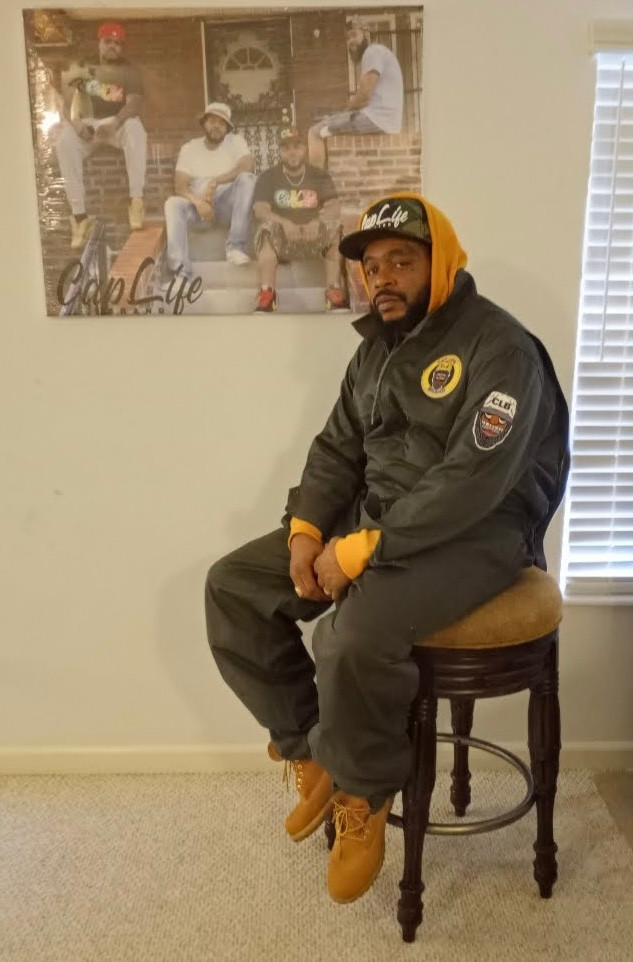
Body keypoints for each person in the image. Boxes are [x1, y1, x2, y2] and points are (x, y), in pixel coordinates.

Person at [204, 192, 569, 905]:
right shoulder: (375, 349)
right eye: (372, 267)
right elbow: (337, 448)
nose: (383, 279)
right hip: (378, 518)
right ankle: (313, 750)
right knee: (233, 587)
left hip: (480, 532)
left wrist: (365, 549)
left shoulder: (502, 349)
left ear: (443, 261)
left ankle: (365, 790)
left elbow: (472, 480)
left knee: (351, 636)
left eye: (401, 261)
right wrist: (309, 529)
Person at [55, 21, 147, 249]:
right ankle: (80, 218)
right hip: (89, 123)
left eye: (118, 43)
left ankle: (136, 202)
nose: (113, 46)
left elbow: (134, 104)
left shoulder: (130, 70)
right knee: (64, 142)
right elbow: (65, 101)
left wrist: (115, 122)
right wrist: (76, 124)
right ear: (99, 43)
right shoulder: (83, 66)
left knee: (136, 128)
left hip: (117, 123)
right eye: (108, 41)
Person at [252, 127, 349, 313]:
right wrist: (285, 223)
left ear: (305, 149)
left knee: (335, 228)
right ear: (280, 151)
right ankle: (267, 294)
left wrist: (317, 222)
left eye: (297, 146)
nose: (292, 152)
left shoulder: (319, 175)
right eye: (286, 148)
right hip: (283, 242)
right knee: (265, 229)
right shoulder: (268, 177)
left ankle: (333, 291)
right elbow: (260, 210)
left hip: (314, 239)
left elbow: (334, 207)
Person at [164, 102, 256, 281]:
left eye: (222, 123)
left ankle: (235, 247)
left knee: (247, 179)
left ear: (227, 128)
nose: (217, 126)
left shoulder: (235, 141)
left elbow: (247, 166)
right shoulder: (190, 148)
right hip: (198, 207)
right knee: (172, 204)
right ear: (204, 123)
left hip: (226, 205)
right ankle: (181, 273)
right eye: (213, 121)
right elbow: (180, 185)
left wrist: (215, 182)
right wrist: (199, 202)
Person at [308, 18, 404, 169]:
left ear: (366, 34)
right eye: (347, 38)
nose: (350, 41)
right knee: (329, 127)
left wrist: (344, 112)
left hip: (376, 119)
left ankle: (315, 183)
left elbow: (364, 97)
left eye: (354, 35)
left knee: (314, 132)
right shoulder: (379, 52)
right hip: (387, 121)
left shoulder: (372, 52)